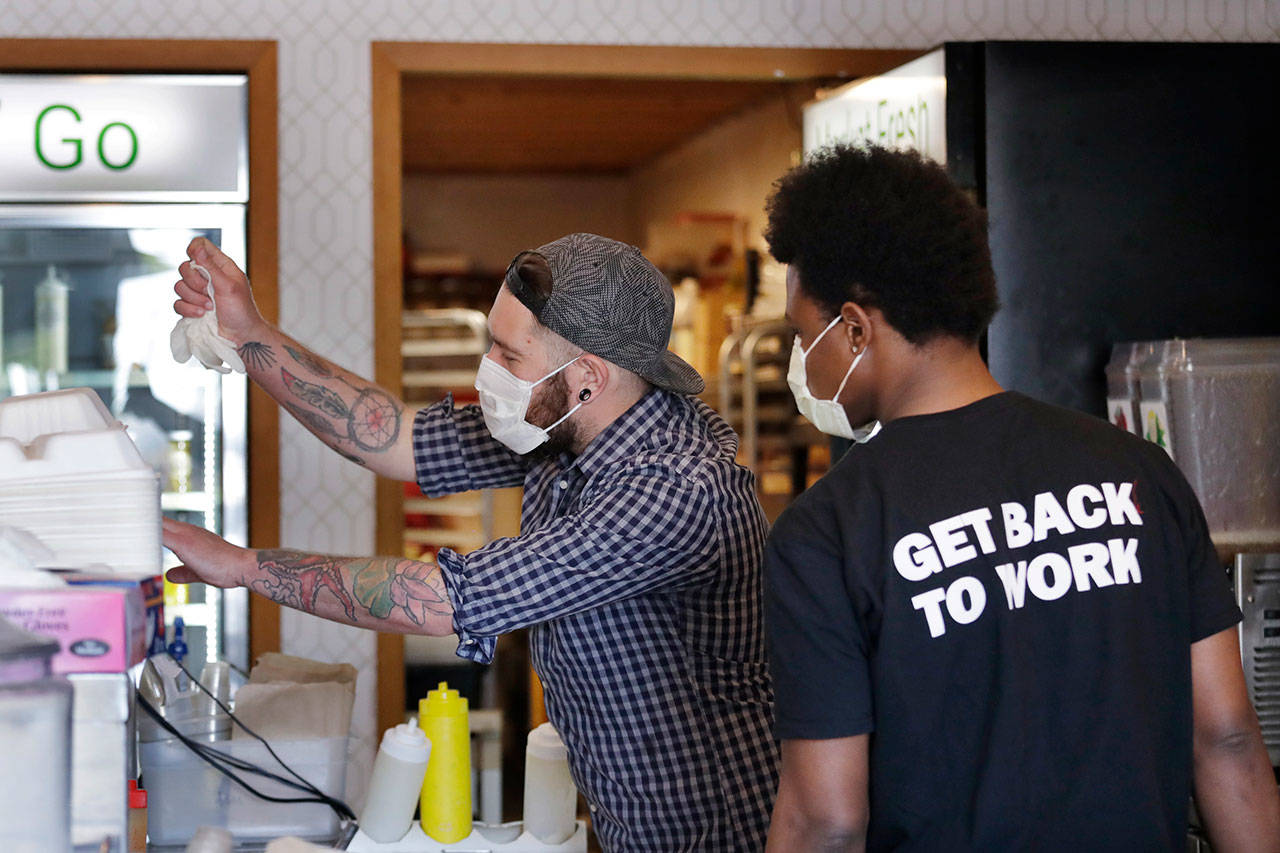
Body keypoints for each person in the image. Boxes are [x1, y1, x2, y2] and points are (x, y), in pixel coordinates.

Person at [163, 232, 778, 850]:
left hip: (721, 836)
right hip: (629, 827)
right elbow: (391, 437)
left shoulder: (679, 490)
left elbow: (441, 601)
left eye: (510, 356)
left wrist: (244, 567)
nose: (489, 370)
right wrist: (249, 334)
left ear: (588, 376)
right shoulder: (564, 425)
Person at [760, 144, 1280, 851]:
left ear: (855, 328)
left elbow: (827, 821)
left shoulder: (827, 532)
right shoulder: (1140, 473)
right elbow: (1225, 737)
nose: (803, 359)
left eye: (802, 332)